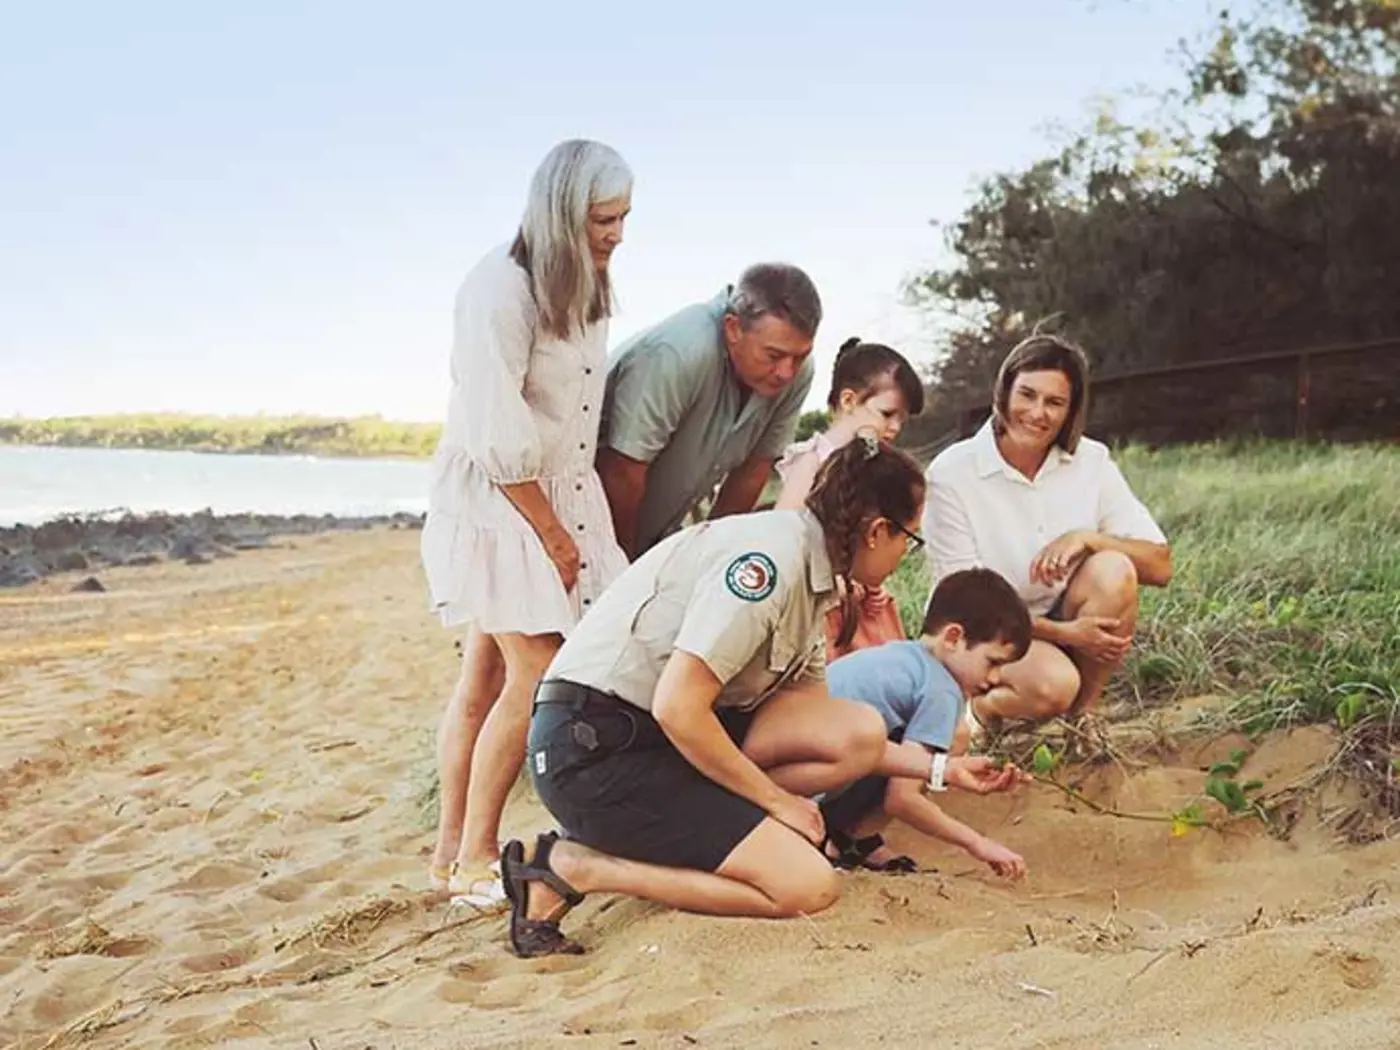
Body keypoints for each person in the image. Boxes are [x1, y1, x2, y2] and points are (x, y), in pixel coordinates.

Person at [498, 437, 1019, 957]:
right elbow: (678, 706)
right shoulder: (768, 564)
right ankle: (576, 866)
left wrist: (939, 771)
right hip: (596, 749)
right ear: (878, 531)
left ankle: (702, 830)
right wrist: (778, 804)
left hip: (654, 741)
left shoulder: (813, 576)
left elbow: (821, 725)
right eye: (910, 538)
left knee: (857, 730)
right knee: (807, 886)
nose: (905, 553)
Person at [419, 140, 633, 906]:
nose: (615, 234)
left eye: (622, 219)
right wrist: (551, 534)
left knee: (486, 672)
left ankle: (447, 855)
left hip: (562, 492)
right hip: (499, 503)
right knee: (537, 670)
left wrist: (575, 520)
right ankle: (475, 855)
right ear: (561, 212)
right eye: (603, 219)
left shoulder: (586, 286)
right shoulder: (498, 291)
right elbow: (498, 439)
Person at [922, 334, 1173, 731]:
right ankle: (980, 715)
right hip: (984, 631)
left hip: (1060, 615)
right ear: (1004, 393)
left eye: (1054, 402)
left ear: (1071, 411)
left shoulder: (1092, 460)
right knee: (1054, 685)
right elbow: (965, 603)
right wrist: (1069, 634)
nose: (1037, 413)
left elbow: (1160, 566)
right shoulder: (952, 473)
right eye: (1027, 395)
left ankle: (1082, 719)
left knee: (1115, 568)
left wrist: (1087, 538)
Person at [596, 263, 822, 559]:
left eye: (800, 356)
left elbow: (753, 471)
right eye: (774, 356)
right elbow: (623, 472)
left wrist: (708, 564)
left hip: (661, 533)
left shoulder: (796, 371)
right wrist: (623, 565)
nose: (786, 372)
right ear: (733, 329)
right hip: (591, 529)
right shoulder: (678, 352)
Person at [819, 568, 1031, 878]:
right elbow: (901, 799)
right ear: (953, 638)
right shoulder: (942, 689)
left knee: (946, 737)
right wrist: (978, 844)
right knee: (948, 740)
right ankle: (847, 838)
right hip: (806, 791)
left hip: (789, 763)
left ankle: (851, 840)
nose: (995, 679)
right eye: (993, 662)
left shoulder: (906, 656)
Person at [775, 337, 925, 659]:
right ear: (848, 401)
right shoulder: (813, 461)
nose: (895, 427)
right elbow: (783, 533)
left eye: (903, 419)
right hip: (815, 595)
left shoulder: (877, 465)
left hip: (858, 589)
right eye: (888, 413)